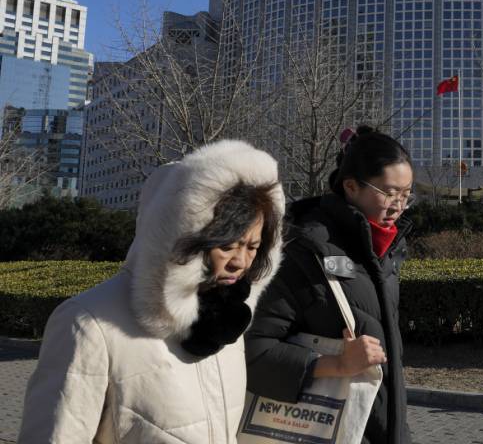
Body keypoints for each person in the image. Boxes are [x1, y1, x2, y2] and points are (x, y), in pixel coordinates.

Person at [19, 139, 285, 443]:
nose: (240, 261)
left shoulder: (227, 322)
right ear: (180, 237)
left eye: (253, 246)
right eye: (226, 245)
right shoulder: (88, 324)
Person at [246, 125, 415, 444]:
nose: (398, 206)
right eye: (390, 193)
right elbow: (253, 353)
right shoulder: (303, 251)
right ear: (351, 186)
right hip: (323, 428)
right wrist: (336, 363)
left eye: (406, 195)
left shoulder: (388, 252)